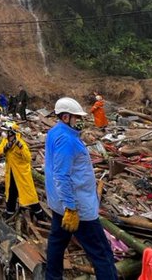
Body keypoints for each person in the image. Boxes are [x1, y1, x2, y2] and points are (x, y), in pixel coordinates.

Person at [45, 97, 118, 280]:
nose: (78, 121)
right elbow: (61, 175)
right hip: (77, 208)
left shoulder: (54, 133)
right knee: (102, 254)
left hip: (59, 204)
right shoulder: (67, 140)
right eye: (75, 118)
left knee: (56, 244)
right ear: (65, 117)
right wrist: (71, 207)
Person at [0, 122, 47, 222]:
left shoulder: (21, 144)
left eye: (6, 132)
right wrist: (5, 148)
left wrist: (20, 147)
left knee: (30, 197)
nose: (4, 134)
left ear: (11, 133)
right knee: (11, 195)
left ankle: (41, 217)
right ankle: (9, 215)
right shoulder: (5, 141)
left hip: (22, 175)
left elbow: (28, 158)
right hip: (11, 174)